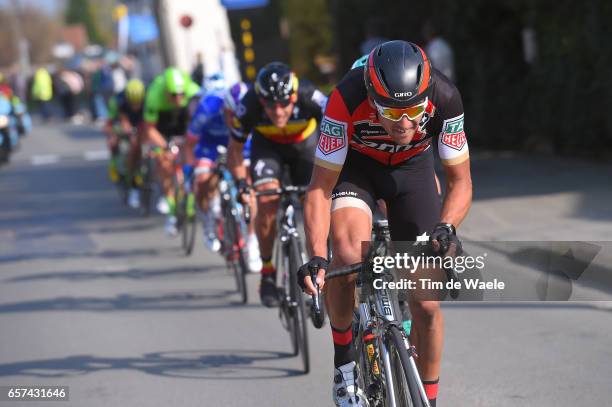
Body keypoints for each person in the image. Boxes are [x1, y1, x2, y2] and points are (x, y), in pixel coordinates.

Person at [299, 40, 472, 406]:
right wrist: (316, 255)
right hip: (356, 170)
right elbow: (318, 189)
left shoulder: (445, 97)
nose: (405, 123)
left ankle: (429, 398)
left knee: (426, 304)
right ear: (372, 98)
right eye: (391, 114)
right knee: (347, 260)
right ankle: (345, 365)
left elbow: (459, 181)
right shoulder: (344, 100)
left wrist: (447, 227)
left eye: (413, 111)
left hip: (413, 171)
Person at [227, 62, 328, 307]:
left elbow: (339, 129)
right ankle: (268, 271)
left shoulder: (309, 96)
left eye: (284, 103)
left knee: (315, 203)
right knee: (266, 200)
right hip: (268, 149)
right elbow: (235, 149)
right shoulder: (249, 103)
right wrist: (241, 183)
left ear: (294, 96)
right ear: (261, 101)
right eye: (271, 105)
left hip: (305, 147)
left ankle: (324, 261)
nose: (279, 111)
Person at [143, 67, 200, 235]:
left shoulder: (192, 91)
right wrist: (164, 147)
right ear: (166, 92)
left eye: (181, 94)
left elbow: (198, 122)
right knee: (163, 161)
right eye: (174, 95)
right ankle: (170, 204)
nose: (178, 98)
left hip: (184, 121)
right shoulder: (154, 94)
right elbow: (149, 129)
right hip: (163, 124)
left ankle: (190, 193)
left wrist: (189, 142)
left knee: (191, 154)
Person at [105, 79, 146, 208]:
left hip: (139, 123)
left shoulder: (147, 100)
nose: (136, 105)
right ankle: (115, 161)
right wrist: (115, 134)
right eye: (133, 102)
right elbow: (116, 122)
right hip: (120, 122)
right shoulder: (118, 101)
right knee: (114, 141)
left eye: (138, 102)